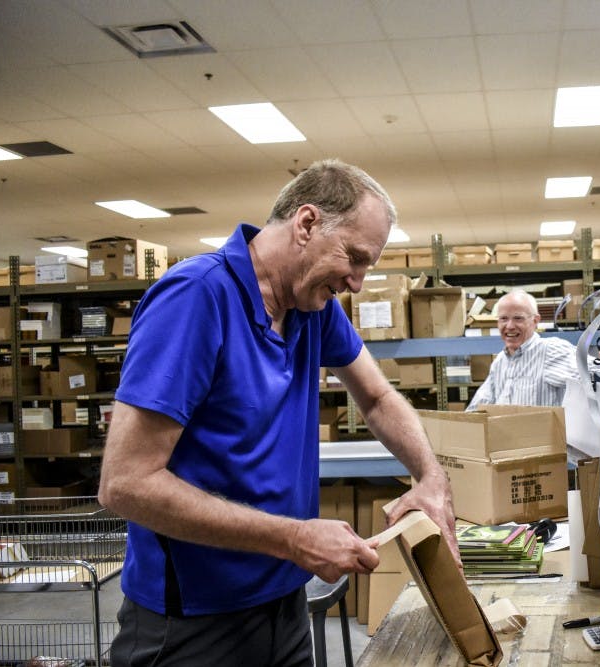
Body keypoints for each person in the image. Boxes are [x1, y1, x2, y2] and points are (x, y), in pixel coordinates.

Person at [98, 158, 459, 666]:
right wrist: (294, 537)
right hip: (192, 623)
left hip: (284, 604)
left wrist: (430, 476)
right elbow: (126, 483)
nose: (356, 283)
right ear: (306, 223)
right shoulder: (197, 297)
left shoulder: (313, 308)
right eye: (353, 258)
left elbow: (377, 397)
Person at [466, 289, 579, 411]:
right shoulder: (500, 361)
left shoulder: (551, 351)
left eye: (518, 318)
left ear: (535, 321)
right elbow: (477, 408)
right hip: (505, 429)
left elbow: (595, 374)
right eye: (503, 318)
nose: (509, 326)